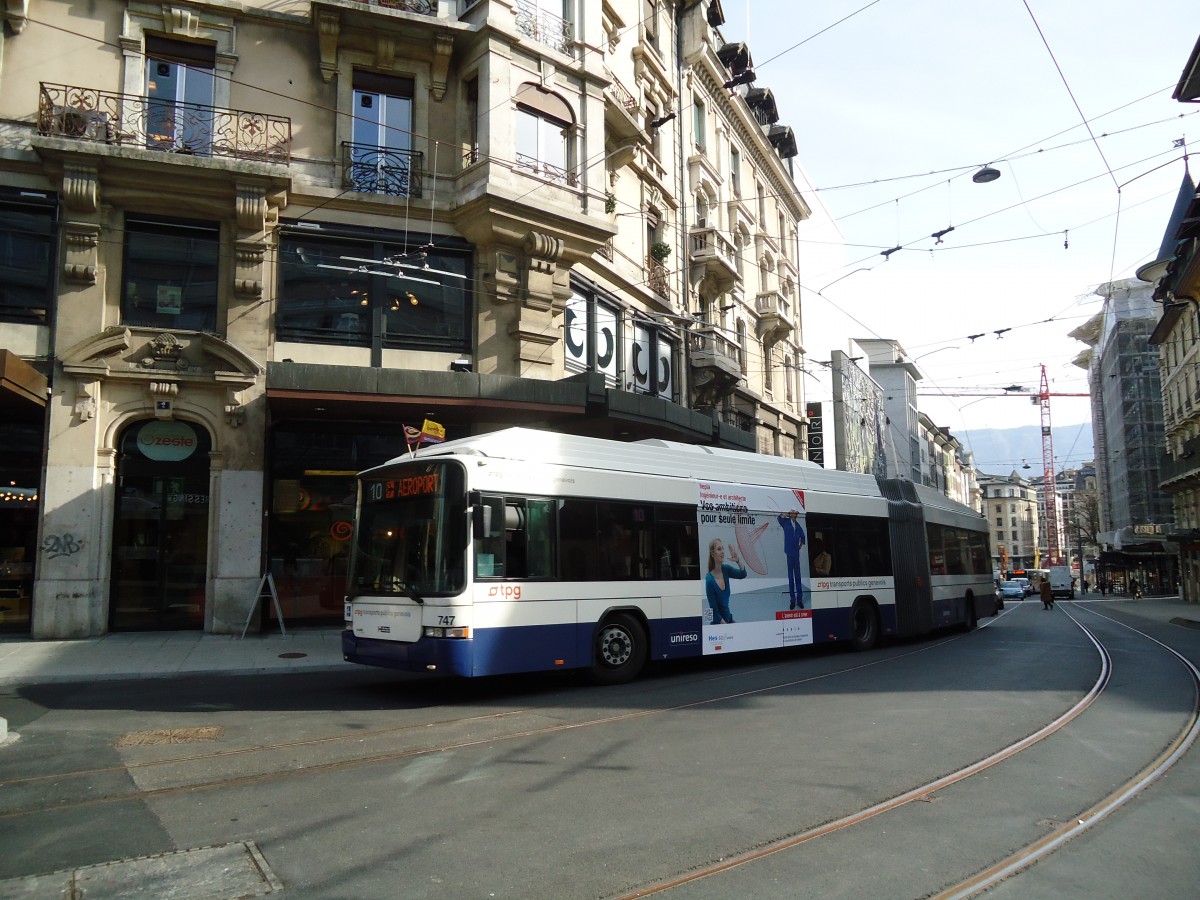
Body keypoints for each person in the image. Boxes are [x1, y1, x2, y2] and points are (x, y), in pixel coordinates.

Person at [705, 537, 746, 625]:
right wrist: (727, 628)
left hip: (728, 620)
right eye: (719, 549)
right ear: (713, 554)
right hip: (718, 626)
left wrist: (738, 560)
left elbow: (743, 574)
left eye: (723, 548)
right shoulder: (709, 579)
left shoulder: (726, 569)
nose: (723, 551)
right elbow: (714, 612)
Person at [778, 509, 807, 610]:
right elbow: (779, 518)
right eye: (794, 513)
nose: (795, 515)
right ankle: (792, 600)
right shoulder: (785, 522)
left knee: (798, 578)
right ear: (791, 514)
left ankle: (799, 600)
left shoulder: (798, 525)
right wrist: (786, 513)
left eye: (796, 514)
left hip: (796, 553)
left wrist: (800, 545)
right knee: (791, 578)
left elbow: (803, 536)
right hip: (789, 553)